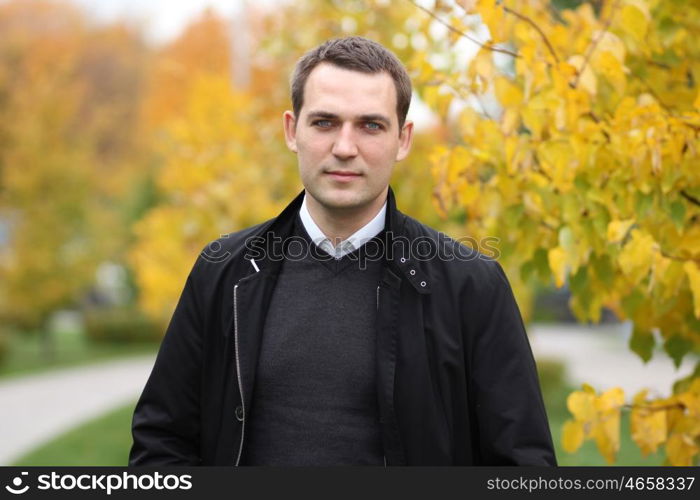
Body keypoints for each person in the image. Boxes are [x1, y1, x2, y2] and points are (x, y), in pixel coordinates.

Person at [129, 36, 556, 466]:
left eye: (370, 125)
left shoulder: (471, 286)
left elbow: (522, 467)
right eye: (325, 122)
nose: (345, 148)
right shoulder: (223, 272)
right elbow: (161, 445)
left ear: (403, 140)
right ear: (292, 131)